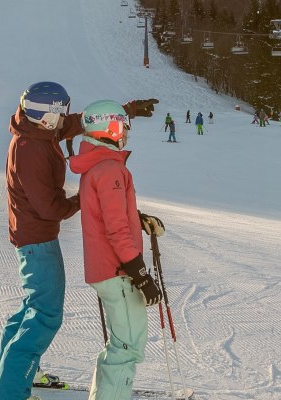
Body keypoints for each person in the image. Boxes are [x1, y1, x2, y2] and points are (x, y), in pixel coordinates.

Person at [0, 81, 156, 400]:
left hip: (34, 237)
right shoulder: (30, 150)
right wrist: (84, 200)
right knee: (46, 314)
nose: (64, 116)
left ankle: (6, 368)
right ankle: (9, 390)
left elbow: (77, 123)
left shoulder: (39, 130)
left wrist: (126, 111)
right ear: (45, 115)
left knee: (33, 306)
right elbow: (50, 208)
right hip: (36, 240)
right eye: (59, 111)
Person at [70, 100, 163, 400]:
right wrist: (140, 275)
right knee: (128, 348)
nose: (125, 133)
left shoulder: (98, 166)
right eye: (122, 127)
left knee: (120, 346)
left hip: (110, 271)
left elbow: (112, 216)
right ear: (110, 128)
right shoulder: (110, 169)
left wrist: (138, 218)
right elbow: (116, 230)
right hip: (118, 272)